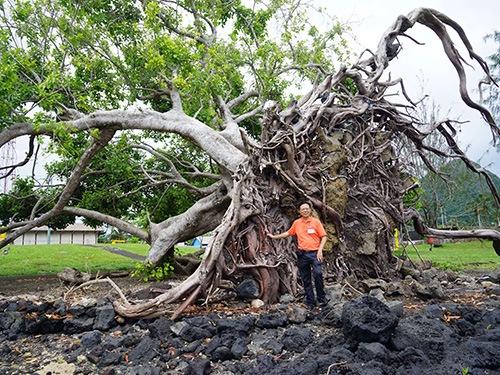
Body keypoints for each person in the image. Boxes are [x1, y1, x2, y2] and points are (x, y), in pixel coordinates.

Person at [268, 201, 329, 309]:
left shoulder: (316, 222)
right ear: (299, 211)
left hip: (315, 253)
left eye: (307, 209)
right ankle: (310, 301)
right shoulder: (297, 223)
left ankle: (321, 297)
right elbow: (288, 233)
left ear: (310, 210)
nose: (305, 210)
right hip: (302, 254)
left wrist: (320, 250)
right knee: (306, 278)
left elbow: (324, 236)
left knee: (318, 274)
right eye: (303, 209)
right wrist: (274, 237)